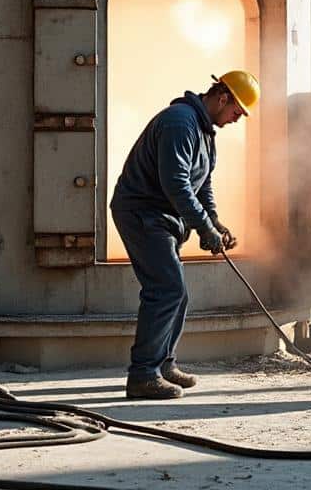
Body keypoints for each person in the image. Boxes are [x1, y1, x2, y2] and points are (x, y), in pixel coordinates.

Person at [110, 70, 260, 399]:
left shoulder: (205, 133)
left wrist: (214, 222)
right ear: (223, 98)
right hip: (142, 212)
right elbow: (175, 183)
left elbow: (201, 183)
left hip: (162, 216)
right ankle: (143, 375)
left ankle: (163, 364)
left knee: (176, 292)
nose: (237, 119)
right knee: (166, 288)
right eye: (237, 112)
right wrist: (202, 227)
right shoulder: (180, 123)